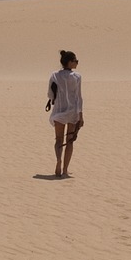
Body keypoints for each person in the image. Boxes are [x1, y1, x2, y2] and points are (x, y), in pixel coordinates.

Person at [45, 50, 84, 178]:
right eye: (75, 61)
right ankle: (65, 170)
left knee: (58, 140)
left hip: (59, 112)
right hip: (72, 112)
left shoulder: (54, 75)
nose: (77, 63)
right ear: (69, 62)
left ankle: (58, 160)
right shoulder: (77, 76)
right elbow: (79, 97)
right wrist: (81, 115)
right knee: (70, 141)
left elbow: (50, 94)